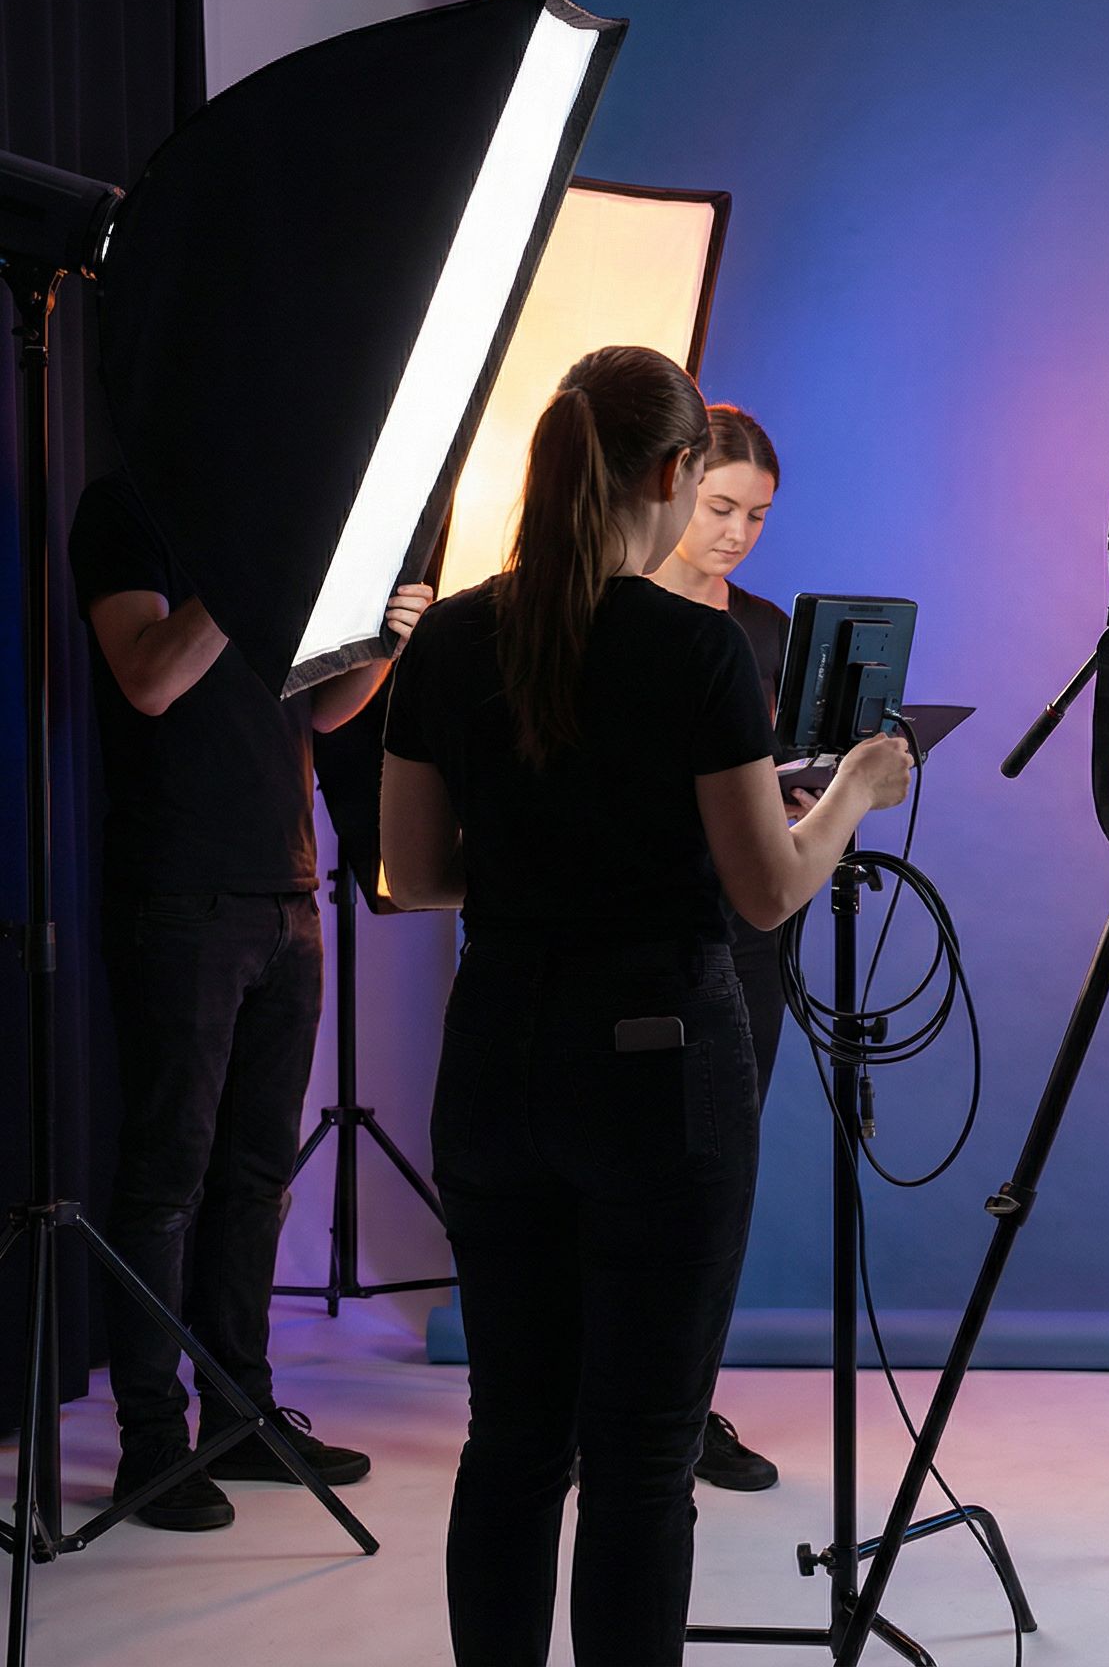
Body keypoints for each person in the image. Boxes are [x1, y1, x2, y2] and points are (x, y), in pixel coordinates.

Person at [380, 344, 910, 1667]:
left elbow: (419, 874)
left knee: (512, 1434)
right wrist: (853, 789)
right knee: (639, 1451)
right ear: (676, 473)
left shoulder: (450, 636)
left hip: (496, 1066)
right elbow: (769, 890)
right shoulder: (698, 650)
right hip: (660, 1077)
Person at [70, 473, 422, 1530]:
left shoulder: (271, 511)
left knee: (258, 1174)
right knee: (167, 1171)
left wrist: (381, 642)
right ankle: (152, 1446)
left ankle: (240, 1413)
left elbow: (318, 704)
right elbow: (147, 678)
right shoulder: (130, 506)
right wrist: (251, 565)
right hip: (180, 889)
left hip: (287, 887)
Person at [647, 401, 793, 1492]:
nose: (738, 532)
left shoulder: (770, 633)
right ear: (672, 485)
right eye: (721, 507)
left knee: (715, 1186)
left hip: (747, 940)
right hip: (635, 936)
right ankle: (592, 1412)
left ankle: (683, 1408)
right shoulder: (609, 621)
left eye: (757, 516)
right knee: (621, 1186)